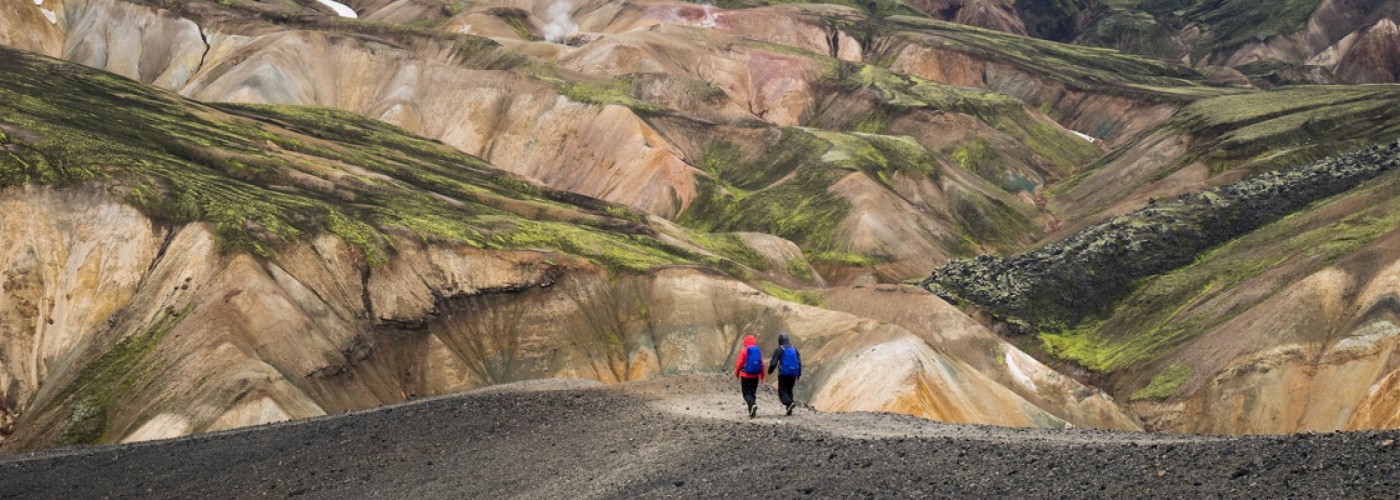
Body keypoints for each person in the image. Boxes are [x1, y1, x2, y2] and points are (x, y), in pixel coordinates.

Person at [767, 332, 801, 415]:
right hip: (793, 373)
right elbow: (799, 362)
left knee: (782, 391)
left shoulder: (780, 349)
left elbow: (773, 363)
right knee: (789, 390)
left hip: (783, 374)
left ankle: (789, 403)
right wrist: (799, 373)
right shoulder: (794, 348)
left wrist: (770, 371)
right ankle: (790, 407)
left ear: (779, 340)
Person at [733, 334, 765, 418]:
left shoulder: (744, 351)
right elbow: (762, 364)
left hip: (746, 376)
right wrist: (762, 376)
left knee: (746, 394)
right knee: (752, 393)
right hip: (755, 376)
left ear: (745, 342)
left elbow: (739, 364)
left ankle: (752, 405)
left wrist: (736, 374)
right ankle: (751, 411)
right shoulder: (758, 351)